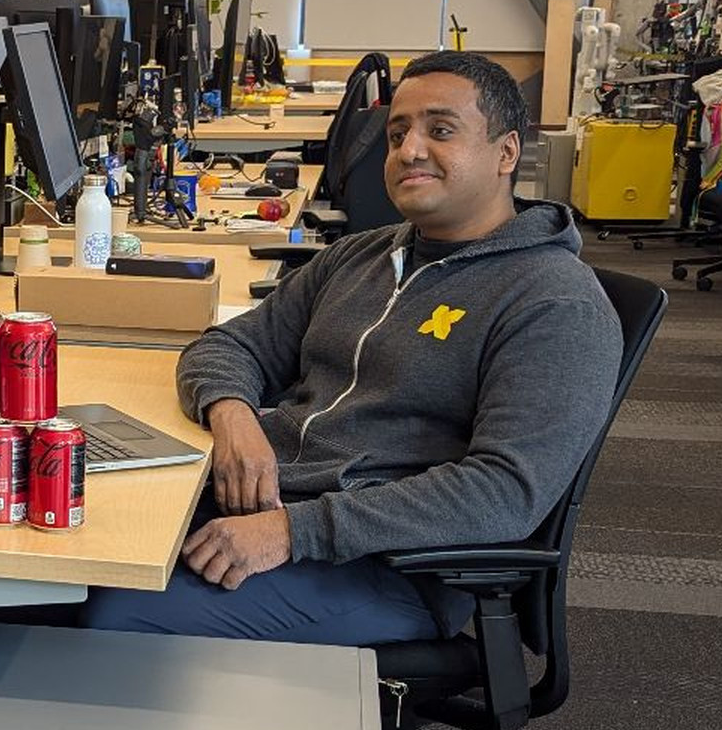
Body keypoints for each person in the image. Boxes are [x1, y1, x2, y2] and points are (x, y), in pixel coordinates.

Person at [80, 50, 624, 647]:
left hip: (384, 565)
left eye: (440, 131)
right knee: (58, 552)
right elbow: (228, 346)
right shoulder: (363, 255)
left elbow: (504, 493)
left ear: (507, 153)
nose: (410, 150)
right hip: (265, 510)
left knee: (109, 618)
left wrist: (294, 531)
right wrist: (232, 413)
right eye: (398, 133)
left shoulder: (553, 303)